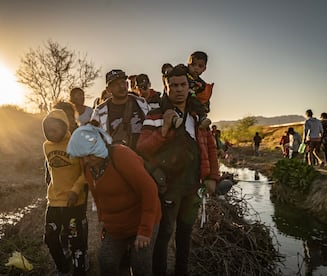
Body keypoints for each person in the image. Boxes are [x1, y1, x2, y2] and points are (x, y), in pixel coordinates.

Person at [137, 64, 219, 275]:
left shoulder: (197, 117)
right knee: (164, 234)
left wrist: (212, 177)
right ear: (166, 87)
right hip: (167, 187)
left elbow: (210, 147)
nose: (179, 89)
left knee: (185, 232)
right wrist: (164, 130)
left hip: (193, 187)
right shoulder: (155, 115)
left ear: (188, 86)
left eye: (183, 84)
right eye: (174, 85)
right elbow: (142, 149)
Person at [66, 124, 161, 276]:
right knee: (106, 261)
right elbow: (98, 197)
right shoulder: (89, 167)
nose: (87, 160)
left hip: (142, 220)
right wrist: (103, 220)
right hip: (117, 226)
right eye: (82, 156)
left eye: (91, 154)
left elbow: (149, 190)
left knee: (140, 264)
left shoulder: (121, 155)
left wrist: (144, 230)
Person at [42, 108, 88, 276]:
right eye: (48, 130)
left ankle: (80, 270)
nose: (51, 133)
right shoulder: (46, 146)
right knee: (49, 237)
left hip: (74, 203)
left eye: (55, 129)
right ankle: (62, 268)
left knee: (76, 243)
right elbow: (49, 169)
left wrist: (75, 190)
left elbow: (86, 172)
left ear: (64, 127)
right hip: (53, 202)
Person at [91, 69, 150, 151]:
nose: (121, 86)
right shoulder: (100, 111)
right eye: (116, 84)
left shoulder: (142, 103)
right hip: (117, 157)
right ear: (108, 89)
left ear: (127, 84)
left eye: (123, 82)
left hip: (144, 154)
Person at [187, 51, 214, 129]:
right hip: (184, 99)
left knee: (195, 97)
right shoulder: (183, 74)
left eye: (200, 66)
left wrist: (206, 106)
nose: (196, 68)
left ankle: (202, 119)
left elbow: (204, 96)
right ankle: (202, 117)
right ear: (188, 65)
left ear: (204, 69)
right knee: (192, 96)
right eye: (193, 65)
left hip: (194, 102)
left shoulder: (202, 84)